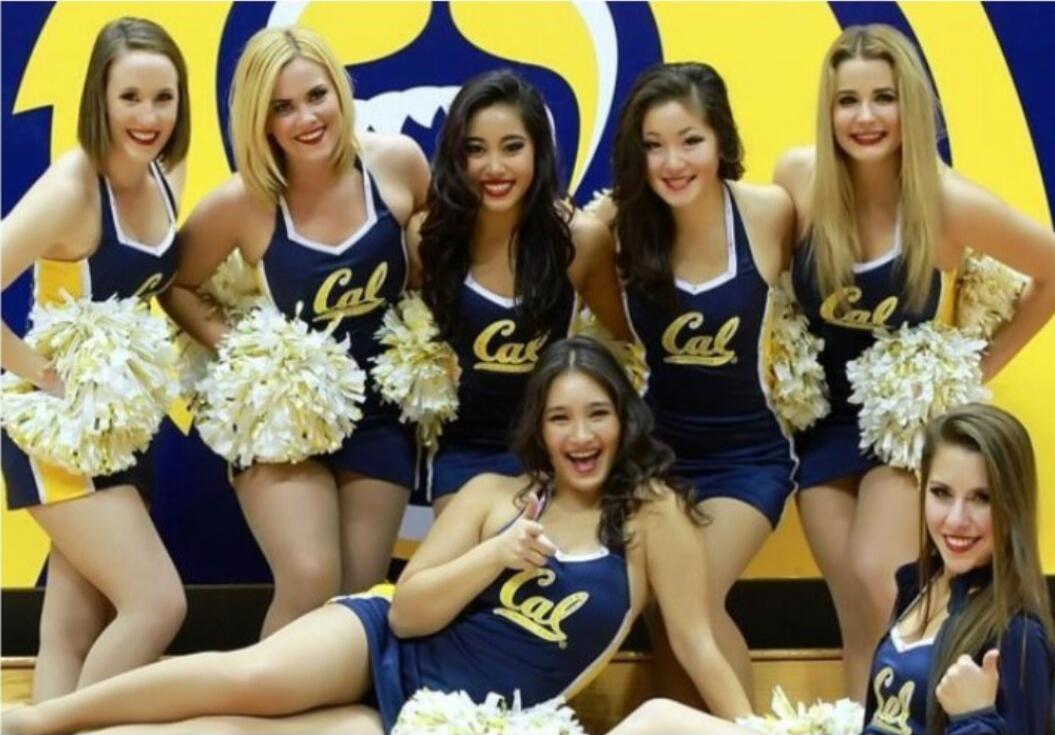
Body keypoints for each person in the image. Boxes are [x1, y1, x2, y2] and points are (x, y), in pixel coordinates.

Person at [2, 336, 753, 735]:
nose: (581, 434)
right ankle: (42, 721)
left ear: (623, 420)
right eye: (561, 418)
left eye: (597, 414)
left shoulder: (652, 516)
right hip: (383, 642)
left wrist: (752, 729)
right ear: (539, 430)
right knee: (249, 679)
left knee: (235, 731)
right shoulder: (494, 494)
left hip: (453, 716)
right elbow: (407, 610)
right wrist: (495, 553)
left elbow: (694, 643)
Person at [773, 23, 1055, 698]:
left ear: (911, 106)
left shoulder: (944, 201)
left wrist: (969, 370)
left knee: (883, 574)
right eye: (847, 100)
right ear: (827, 109)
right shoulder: (798, 178)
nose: (864, 117)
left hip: (901, 431)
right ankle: (863, 718)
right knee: (854, 607)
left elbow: (1048, 269)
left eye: (883, 97)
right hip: (822, 422)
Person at [160, 26, 429, 637]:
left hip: (380, 416)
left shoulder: (396, 165)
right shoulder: (242, 202)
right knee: (309, 580)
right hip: (283, 423)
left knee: (354, 604)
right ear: (262, 121)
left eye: (316, 95)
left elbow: (440, 248)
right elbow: (174, 284)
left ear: (340, 92)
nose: (306, 118)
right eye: (282, 107)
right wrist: (241, 351)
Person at [610, 403, 1055, 735]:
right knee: (658, 719)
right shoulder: (918, 586)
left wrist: (975, 717)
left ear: (1012, 504)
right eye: (941, 493)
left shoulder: (1017, 633)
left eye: (981, 498)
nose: (955, 520)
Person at [0, 17, 189, 701]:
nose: (148, 116)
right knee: (156, 603)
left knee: (74, 623)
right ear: (98, 98)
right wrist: (41, 375)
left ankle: (51, 719)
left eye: (163, 98)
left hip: (118, 424)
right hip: (60, 432)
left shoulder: (164, 173)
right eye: (130, 97)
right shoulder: (71, 190)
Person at [610, 61, 797, 696]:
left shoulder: (770, 214)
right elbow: (617, 330)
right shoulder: (619, 232)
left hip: (751, 458)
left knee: (693, 595)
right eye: (654, 146)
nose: (673, 162)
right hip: (657, 461)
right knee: (668, 613)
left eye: (690, 140)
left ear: (721, 139)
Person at [409, 69, 630, 515]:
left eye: (512, 147)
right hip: (464, 452)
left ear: (539, 152)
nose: (494, 167)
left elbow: (627, 339)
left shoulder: (581, 241)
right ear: (456, 156)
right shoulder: (426, 239)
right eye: (476, 149)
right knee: (479, 560)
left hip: (558, 451)